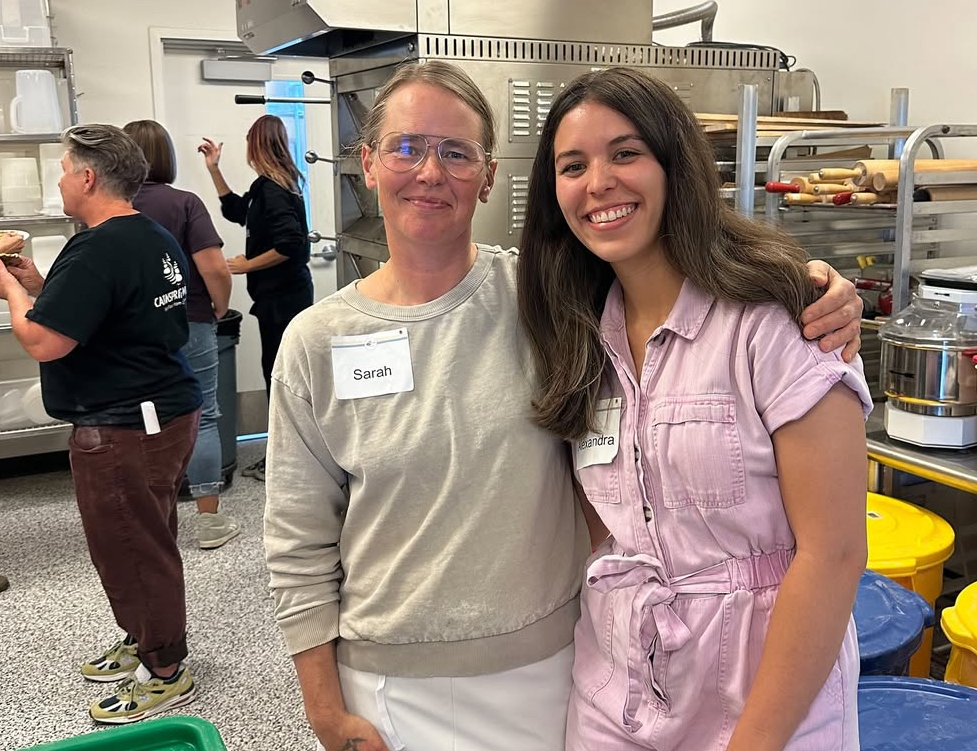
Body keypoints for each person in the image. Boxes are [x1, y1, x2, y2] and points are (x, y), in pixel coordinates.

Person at [262, 60, 864, 751]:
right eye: (406, 146)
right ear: (366, 163)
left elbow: (834, 547)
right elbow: (296, 540)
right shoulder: (322, 342)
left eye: (456, 152)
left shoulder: (546, 303)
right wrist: (324, 710)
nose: (430, 172)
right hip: (434, 684)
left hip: (567, 672)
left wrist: (811, 282)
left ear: (489, 176)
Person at [516, 67, 871, 751]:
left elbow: (832, 553)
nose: (598, 183)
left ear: (674, 163)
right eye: (572, 165)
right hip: (615, 694)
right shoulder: (575, 333)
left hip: (763, 698)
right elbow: (609, 532)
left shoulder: (775, 319)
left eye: (625, 153)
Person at [0, 124, 201, 724]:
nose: (58, 179)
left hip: (124, 424)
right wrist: (36, 285)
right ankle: (143, 637)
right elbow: (107, 308)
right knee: (147, 536)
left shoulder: (97, 246)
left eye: (62, 168)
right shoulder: (146, 234)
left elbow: (45, 342)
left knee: (131, 548)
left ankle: (165, 670)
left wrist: (8, 295)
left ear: (87, 176)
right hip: (164, 411)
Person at [124, 119, 239, 550]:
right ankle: (209, 522)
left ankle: (151, 520)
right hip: (189, 319)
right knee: (202, 413)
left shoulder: (110, 207)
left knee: (141, 416)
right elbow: (213, 268)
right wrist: (219, 306)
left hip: (130, 329)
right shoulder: (184, 203)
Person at [198, 114, 312, 482]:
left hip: (284, 298)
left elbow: (290, 244)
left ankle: (287, 460)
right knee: (280, 375)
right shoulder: (269, 187)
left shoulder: (274, 189)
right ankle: (287, 456)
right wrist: (213, 169)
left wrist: (248, 265)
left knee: (280, 377)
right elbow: (237, 211)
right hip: (278, 297)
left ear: (256, 144)